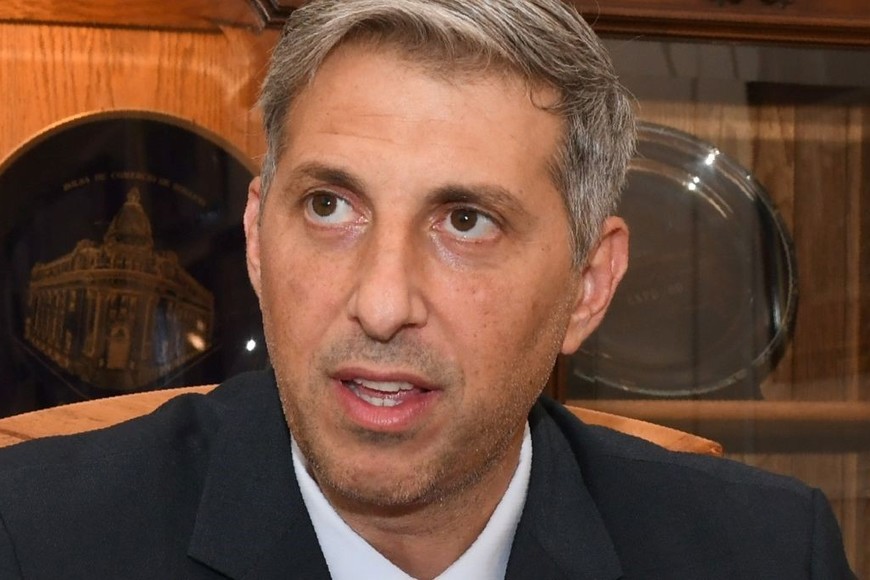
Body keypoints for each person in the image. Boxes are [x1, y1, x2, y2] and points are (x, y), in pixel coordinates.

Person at [0, 0, 856, 578]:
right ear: (257, 238)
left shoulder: (768, 555)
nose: (381, 305)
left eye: (467, 222)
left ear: (588, 286)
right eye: (330, 206)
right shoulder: (33, 540)